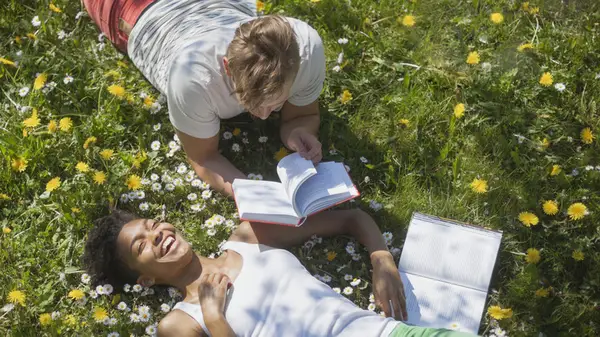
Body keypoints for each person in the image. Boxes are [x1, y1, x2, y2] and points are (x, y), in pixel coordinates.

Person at [84, 209, 476, 337]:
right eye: (142, 246)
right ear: (145, 279)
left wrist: (381, 260)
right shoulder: (178, 323)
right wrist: (215, 318)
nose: (158, 236)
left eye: (153, 226)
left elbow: (350, 218)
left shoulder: (248, 236)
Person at [83, 0, 325, 197]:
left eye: (276, 103)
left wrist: (298, 131)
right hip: (134, 11)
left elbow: (302, 116)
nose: (263, 115)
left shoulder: (306, 49)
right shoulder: (192, 80)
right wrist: (257, 197)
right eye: (250, 101)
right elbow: (203, 157)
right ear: (227, 68)